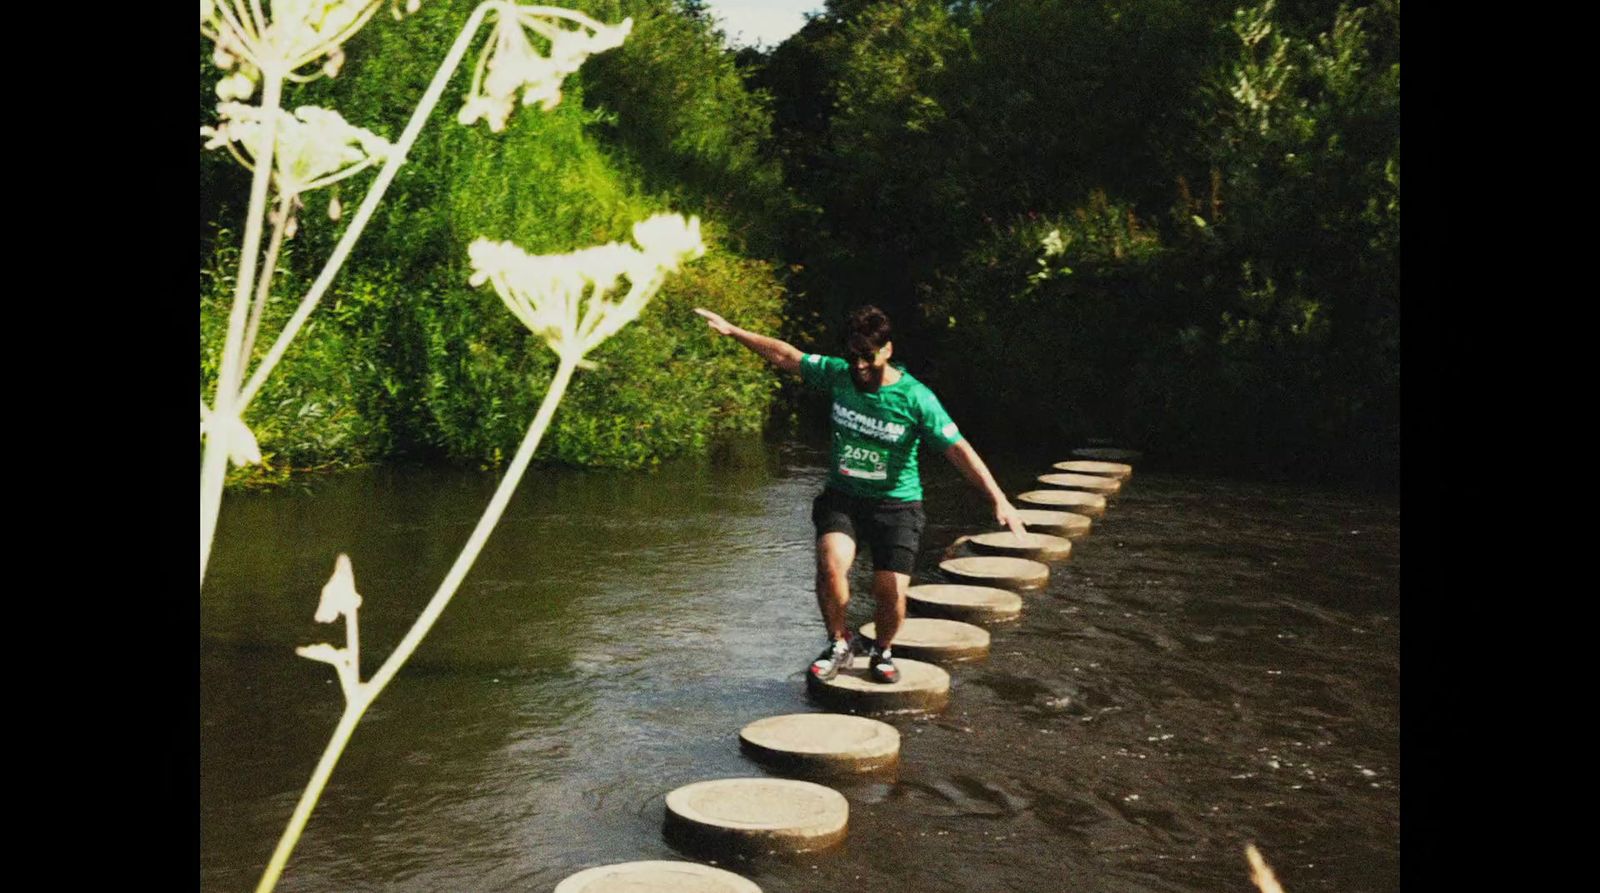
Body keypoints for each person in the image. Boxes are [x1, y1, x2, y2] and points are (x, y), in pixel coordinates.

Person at [694, 304, 1026, 684]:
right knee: (831, 565)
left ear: (887, 350)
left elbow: (957, 449)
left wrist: (998, 498)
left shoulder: (917, 398)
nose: (859, 366)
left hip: (897, 505)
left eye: (867, 357)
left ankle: (883, 650)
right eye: (853, 357)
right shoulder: (837, 375)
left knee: (889, 591)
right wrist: (735, 331)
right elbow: (787, 355)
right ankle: (838, 642)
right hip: (844, 498)